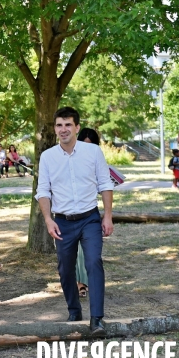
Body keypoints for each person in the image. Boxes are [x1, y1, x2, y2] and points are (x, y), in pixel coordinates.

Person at [35, 107, 114, 336]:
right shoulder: (48, 157)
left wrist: (107, 216)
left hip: (89, 218)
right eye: (59, 125)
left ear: (77, 128)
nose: (63, 129)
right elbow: (43, 191)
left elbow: (105, 184)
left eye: (68, 125)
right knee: (65, 268)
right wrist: (48, 220)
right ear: (55, 128)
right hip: (63, 222)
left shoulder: (93, 152)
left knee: (93, 262)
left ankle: (97, 319)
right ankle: (74, 310)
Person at [74, 128, 101, 297]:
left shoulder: (96, 159)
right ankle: (78, 282)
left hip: (89, 212)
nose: (87, 148)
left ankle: (83, 282)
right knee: (74, 252)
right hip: (68, 212)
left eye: (90, 145)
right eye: (84, 144)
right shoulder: (69, 158)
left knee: (86, 252)